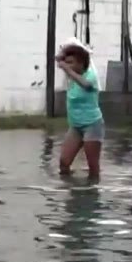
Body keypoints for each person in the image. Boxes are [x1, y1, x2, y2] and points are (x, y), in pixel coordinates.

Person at [57, 40, 104, 181]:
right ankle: (71, 188)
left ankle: (92, 194)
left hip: (92, 124)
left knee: (93, 167)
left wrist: (67, 69)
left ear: (81, 63)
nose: (68, 65)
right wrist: (64, 52)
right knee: (64, 163)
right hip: (76, 126)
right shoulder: (71, 75)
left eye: (72, 62)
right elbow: (58, 58)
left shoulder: (90, 75)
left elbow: (86, 86)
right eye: (68, 62)